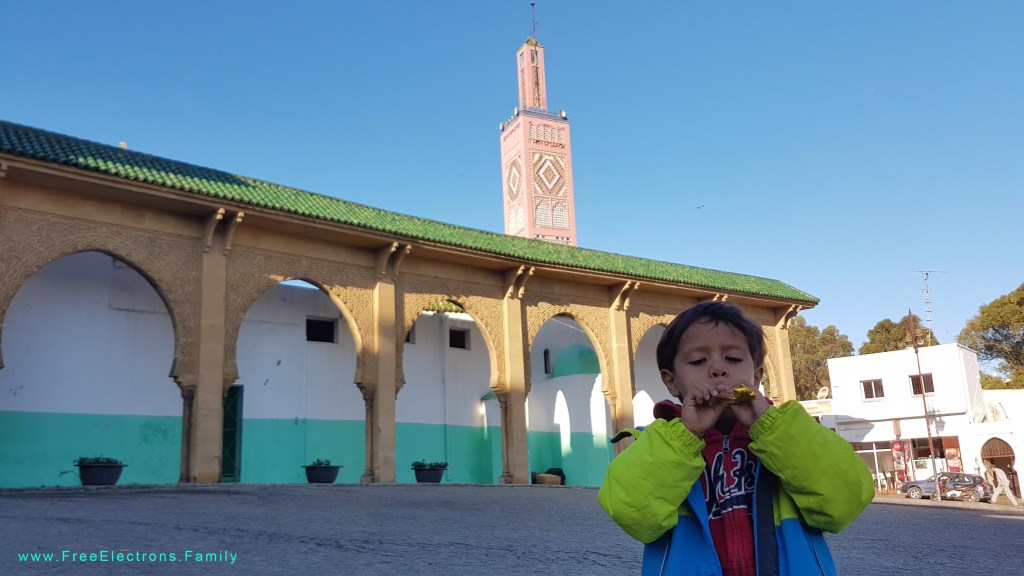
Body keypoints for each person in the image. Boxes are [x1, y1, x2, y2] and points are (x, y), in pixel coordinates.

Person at [598, 302, 874, 575]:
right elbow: (632, 515)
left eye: (733, 359)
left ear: (756, 375)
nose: (718, 369)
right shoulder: (659, 443)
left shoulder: (791, 435)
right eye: (698, 361)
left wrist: (772, 429)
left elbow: (844, 504)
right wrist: (685, 437)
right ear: (672, 382)